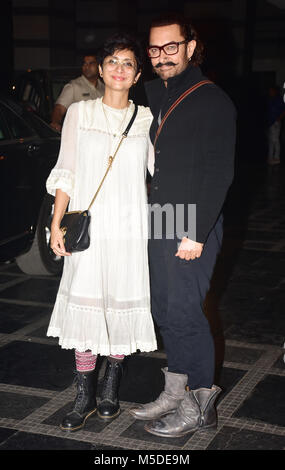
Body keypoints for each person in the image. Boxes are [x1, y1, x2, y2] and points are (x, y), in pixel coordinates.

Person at [129, 13, 236, 438]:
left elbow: (218, 172)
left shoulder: (211, 99)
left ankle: (201, 405)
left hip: (191, 220)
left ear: (190, 47)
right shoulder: (160, 95)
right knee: (164, 310)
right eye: (154, 49)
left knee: (188, 313)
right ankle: (175, 390)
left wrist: (196, 231)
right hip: (161, 215)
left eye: (171, 47)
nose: (162, 56)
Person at [46, 33, 157, 432]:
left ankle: (110, 387)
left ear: (137, 74)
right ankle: (83, 396)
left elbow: (161, 172)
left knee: (120, 304)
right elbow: (67, 171)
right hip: (89, 231)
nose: (119, 69)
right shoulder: (80, 112)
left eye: (128, 63)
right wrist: (57, 223)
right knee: (88, 309)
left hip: (129, 228)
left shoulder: (146, 118)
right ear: (100, 68)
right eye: (113, 61)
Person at [50, 54, 105, 131]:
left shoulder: (104, 88)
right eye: (84, 63)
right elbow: (59, 108)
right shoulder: (73, 86)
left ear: (99, 66)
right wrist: (55, 123)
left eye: (91, 63)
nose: (87, 66)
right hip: (80, 135)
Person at [267, 85, 285, 165]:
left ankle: (276, 158)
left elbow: (283, 110)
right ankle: (270, 157)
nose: (270, 92)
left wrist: (278, 118)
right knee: (271, 140)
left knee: (275, 140)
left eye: (271, 90)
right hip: (271, 122)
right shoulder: (271, 100)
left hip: (275, 122)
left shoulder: (278, 100)